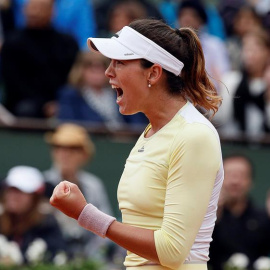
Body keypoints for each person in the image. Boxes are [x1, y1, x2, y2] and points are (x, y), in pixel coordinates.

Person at [50, 18, 224, 270]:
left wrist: (85, 214)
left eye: (119, 62)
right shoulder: (150, 133)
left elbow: (172, 251)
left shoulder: (194, 135)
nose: (108, 72)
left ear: (153, 73)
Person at [43, 123, 114, 261]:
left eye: (73, 149)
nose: (65, 154)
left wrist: (90, 260)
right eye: (59, 147)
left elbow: (106, 227)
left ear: (84, 155)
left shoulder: (93, 185)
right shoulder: (42, 183)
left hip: (89, 259)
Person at [1, 0, 78, 118]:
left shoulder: (67, 43)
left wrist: (60, 101)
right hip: (25, 101)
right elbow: (14, 83)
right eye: (31, 8)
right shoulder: (13, 42)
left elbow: (72, 77)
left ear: (52, 12)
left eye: (40, 8)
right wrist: (44, 105)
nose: (34, 13)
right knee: (26, 109)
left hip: (61, 99)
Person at [56, 51, 148, 130]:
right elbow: (68, 126)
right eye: (91, 68)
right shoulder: (70, 95)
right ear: (81, 70)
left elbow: (137, 123)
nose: (97, 72)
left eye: (101, 67)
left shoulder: (120, 92)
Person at [209, 154, 270, 270]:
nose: (235, 181)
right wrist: (211, 218)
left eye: (242, 175)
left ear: (251, 181)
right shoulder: (207, 217)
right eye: (229, 175)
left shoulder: (264, 217)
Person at [0, 165, 66, 264]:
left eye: (20, 191)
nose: (12, 196)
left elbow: (57, 256)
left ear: (35, 198)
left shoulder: (47, 225)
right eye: (10, 190)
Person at [213, 29, 270, 139]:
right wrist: (212, 95)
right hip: (236, 145)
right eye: (246, 49)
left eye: (254, 50)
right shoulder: (231, 80)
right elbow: (220, 118)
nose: (249, 55)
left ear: (267, 52)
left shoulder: (268, 82)